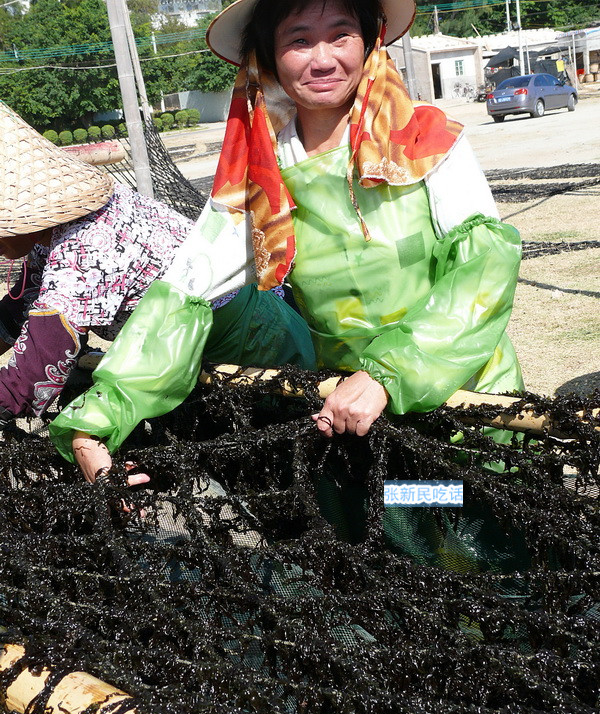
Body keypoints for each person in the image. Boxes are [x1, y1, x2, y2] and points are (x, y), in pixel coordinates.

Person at [50, 0, 524, 490]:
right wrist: (96, 422)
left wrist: (387, 375)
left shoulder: (426, 138)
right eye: (298, 40)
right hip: (349, 415)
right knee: (399, 532)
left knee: (475, 542)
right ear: (268, 58)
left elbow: (484, 267)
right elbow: (186, 290)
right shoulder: (261, 172)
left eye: (340, 35)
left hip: (469, 403)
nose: (322, 59)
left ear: (369, 42)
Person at [0, 100, 314, 437]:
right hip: (183, 348)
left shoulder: (81, 249)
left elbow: (35, 371)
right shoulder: (53, 225)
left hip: (245, 343)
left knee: (278, 446)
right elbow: (19, 309)